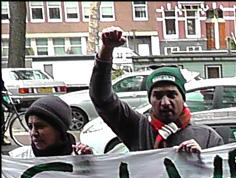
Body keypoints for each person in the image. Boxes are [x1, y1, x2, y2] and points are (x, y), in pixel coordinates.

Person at [89, 26, 222, 153]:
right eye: (158, 96)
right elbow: (102, 99)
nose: (165, 102)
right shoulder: (137, 129)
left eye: (172, 95)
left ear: (183, 98)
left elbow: (222, 173)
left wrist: (203, 160)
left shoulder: (208, 138)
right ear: (150, 100)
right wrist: (107, 50)